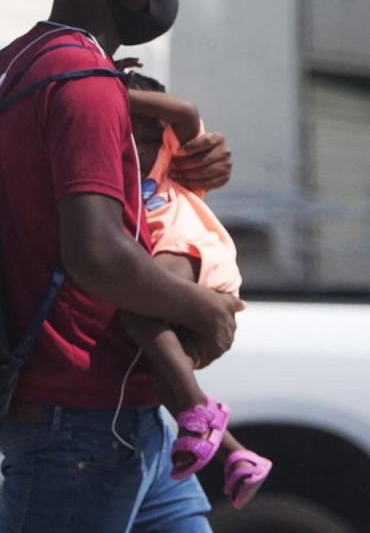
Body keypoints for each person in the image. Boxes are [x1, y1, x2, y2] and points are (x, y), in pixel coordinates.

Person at [0, 0, 236, 532]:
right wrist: (201, 307)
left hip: (123, 416)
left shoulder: (25, 63)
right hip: (82, 426)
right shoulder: (86, 86)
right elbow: (96, 251)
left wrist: (179, 137)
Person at [118, 67, 272, 509]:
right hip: (178, 280)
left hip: (196, 256)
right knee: (165, 376)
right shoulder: (112, 185)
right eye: (128, 138)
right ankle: (239, 456)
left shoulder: (176, 168)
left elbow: (183, 111)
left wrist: (110, 94)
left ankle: (201, 420)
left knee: (137, 304)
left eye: (149, 139)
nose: (140, 150)